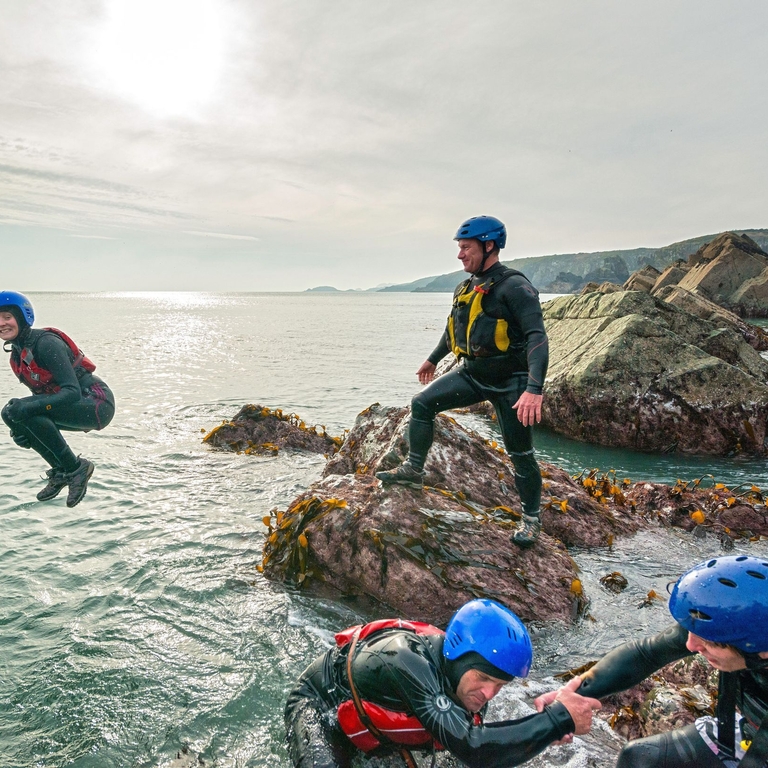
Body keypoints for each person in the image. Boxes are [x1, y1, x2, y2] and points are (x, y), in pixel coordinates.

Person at [376, 215, 549, 547]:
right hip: (471, 373)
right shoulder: (466, 286)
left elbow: (538, 338)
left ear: (489, 246)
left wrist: (533, 389)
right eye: (459, 248)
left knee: (521, 454)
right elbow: (453, 327)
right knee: (421, 403)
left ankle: (530, 519)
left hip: (511, 381)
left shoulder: (516, 287)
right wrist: (433, 358)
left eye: (465, 248)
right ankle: (414, 470)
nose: (460, 255)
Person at [284, 598, 601, 768]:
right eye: (483, 678)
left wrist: (541, 732)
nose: (489, 693)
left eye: (501, 685)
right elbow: (475, 749)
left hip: (382, 722)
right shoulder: (402, 659)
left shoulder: (468, 684)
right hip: (320, 704)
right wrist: (555, 720)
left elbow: (481, 750)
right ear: (457, 657)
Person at [534, 555, 768, 767]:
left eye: (709, 642)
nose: (691, 646)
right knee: (639, 758)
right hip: (749, 734)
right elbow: (647, 653)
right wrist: (573, 695)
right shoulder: (748, 631)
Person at [1, 291, 115, 507]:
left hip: (97, 402)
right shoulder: (17, 355)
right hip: (75, 404)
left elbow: (71, 391)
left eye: (7, 317)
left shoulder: (45, 343)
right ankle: (63, 472)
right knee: (11, 412)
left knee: (23, 409)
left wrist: (27, 414)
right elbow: (41, 401)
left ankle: (76, 469)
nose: (2, 323)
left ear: (23, 317)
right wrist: (21, 432)